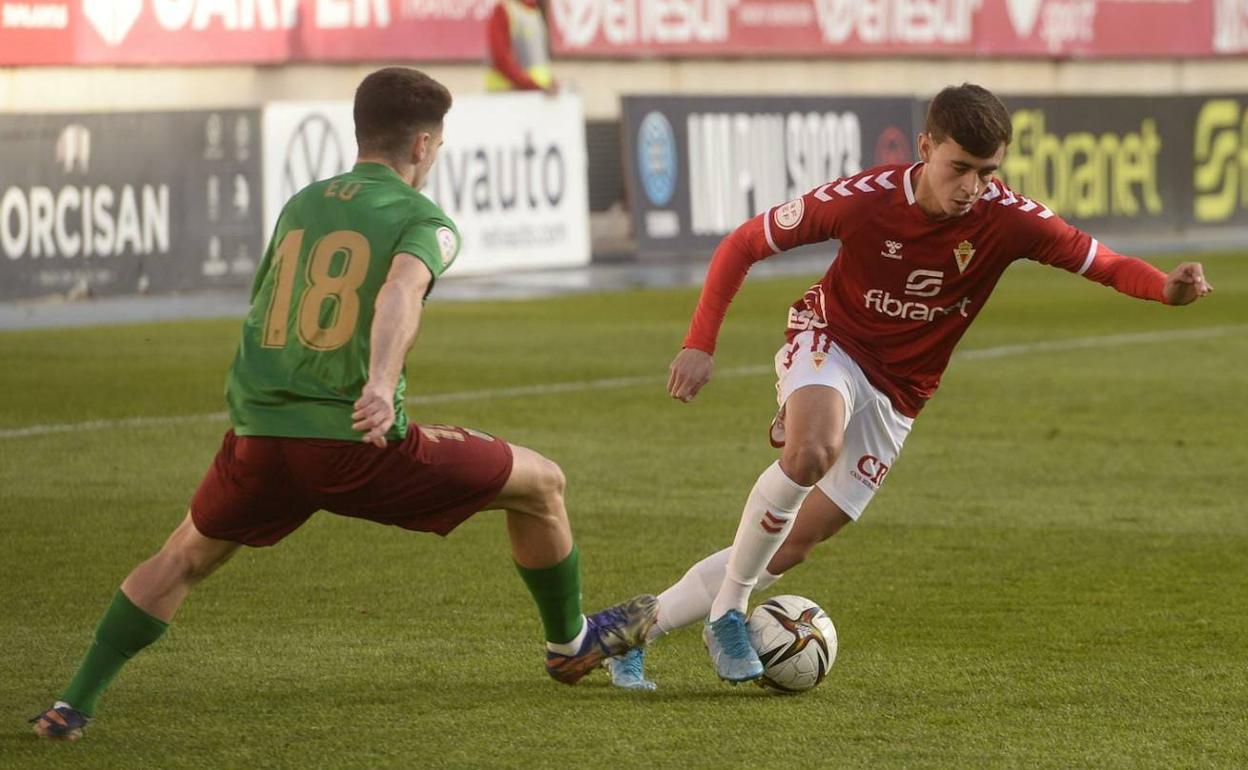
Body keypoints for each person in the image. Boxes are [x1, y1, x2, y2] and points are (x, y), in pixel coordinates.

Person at [31, 67, 656, 741]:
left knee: (183, 555)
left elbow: (265, 303)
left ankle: (72, 705)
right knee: (542, 483)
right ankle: (569, 646)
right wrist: (381, 385)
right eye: (437, 146)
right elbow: (400, 291)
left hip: (259, 436)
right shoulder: (425, 219)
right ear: (421, 147)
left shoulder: (301, 203)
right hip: (351, 445)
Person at [605, 83, 1213, 690]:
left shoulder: (1009, 218)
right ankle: (728, 616)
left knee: (789, 548)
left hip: (901, 394)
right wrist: (699, 342)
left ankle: (632, 630)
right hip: (831, 341)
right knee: (812, 449)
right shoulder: (864, 200)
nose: (972, 186)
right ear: (925, 147)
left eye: (986, 171)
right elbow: (744, 243)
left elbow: (1103, 263)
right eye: (959, 168)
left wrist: (1164, 287)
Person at [485, 0, 556, 93]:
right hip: (509, 94)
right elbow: (501, 60)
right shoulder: (504, 10)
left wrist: (548, 82)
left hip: (533, 93)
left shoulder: (534, 12)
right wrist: (531, 85)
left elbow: (537, 60)